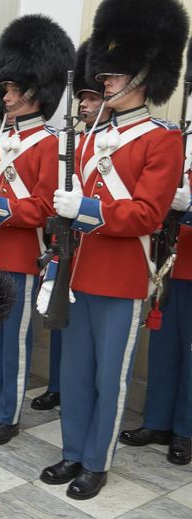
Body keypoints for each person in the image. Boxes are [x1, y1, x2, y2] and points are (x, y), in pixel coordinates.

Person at [39, 0, 187, 500]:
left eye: (115, 73)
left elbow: (147, 214)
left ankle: (97, 461)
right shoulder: (89, 137)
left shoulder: (163, 139)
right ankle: (72, 451)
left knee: (109, 376)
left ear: (144, 76)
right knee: (76, 373)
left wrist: (86, 209)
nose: (104, 81)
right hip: (78, 272)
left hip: (122, 274)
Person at [0, 15, 74, 444]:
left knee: (15, 343)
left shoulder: (50, 143)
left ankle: (8, 414)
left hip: (23, 257)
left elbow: (45, 208)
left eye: (12, 89)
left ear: (34, 92)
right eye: (4, 88)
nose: (5, 95)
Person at [119, 41, 192, 465]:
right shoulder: (178, 136)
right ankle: (159, 418)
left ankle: (185, 427)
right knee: (164, 347)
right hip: (170, 259)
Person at [31, 40, 111, 412]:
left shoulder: (109, 143)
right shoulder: (74, 140)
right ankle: (60, 384)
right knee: (60, 318)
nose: (85, 104)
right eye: (83, 98)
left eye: (93, 98)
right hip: (66, 242)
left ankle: (77, 391)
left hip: (97, 246)